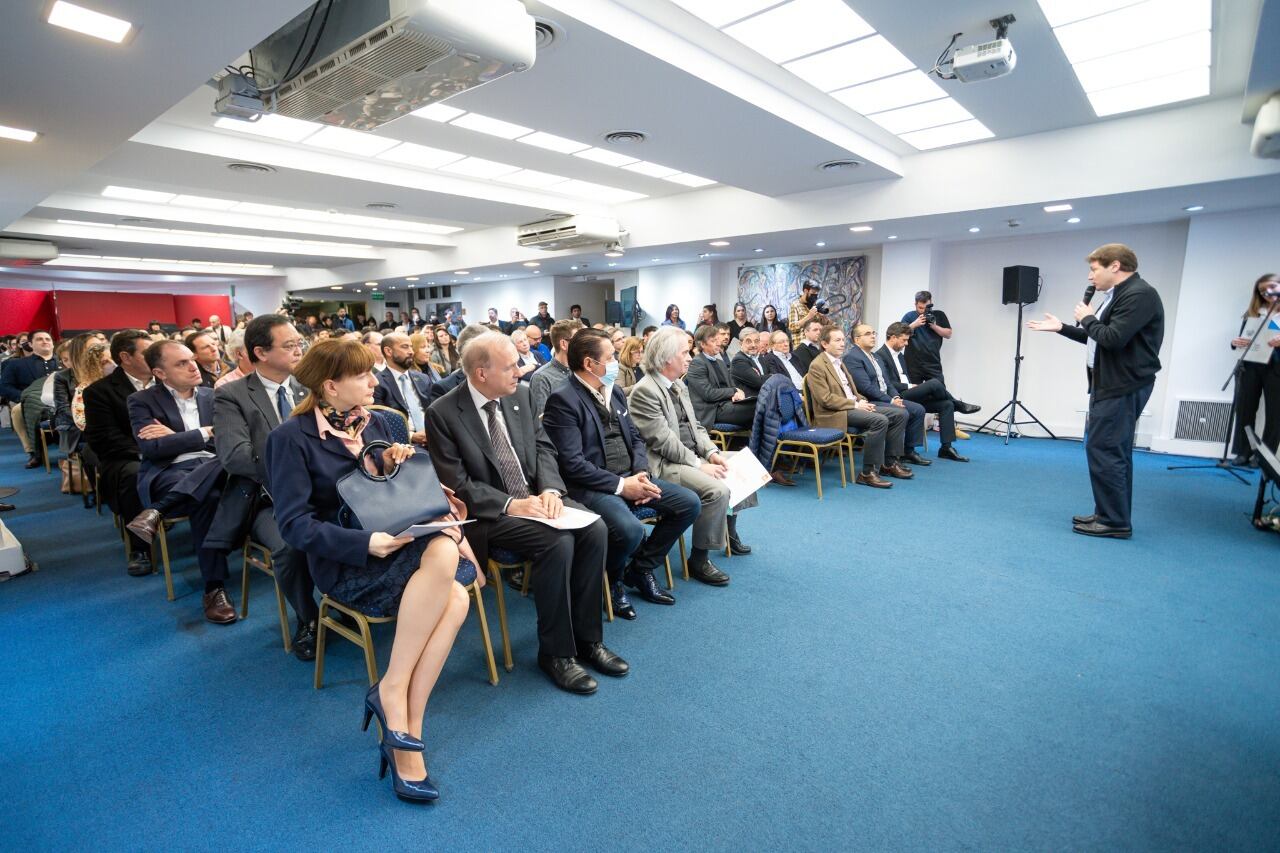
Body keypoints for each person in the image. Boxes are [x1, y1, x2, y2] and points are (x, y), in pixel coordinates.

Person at [265, 338, 472, 801]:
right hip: (348, 563)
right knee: (450, 577)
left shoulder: (378, 421)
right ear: (330, 386)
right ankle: (398, 711)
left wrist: (397, 462)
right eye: (362, 376)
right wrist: (365, 543)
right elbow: (294, 527)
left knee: (449, 573)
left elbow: (390, 490)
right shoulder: (290, 438)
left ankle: (401, 718)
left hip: (399, 543)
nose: (373, 382)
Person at [425, 331, 626, 695]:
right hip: (490, 515)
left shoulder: (520, 394)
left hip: (537, 498)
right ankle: (555, 653)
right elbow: (456, 484)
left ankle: (588, 640)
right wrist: (511, 504)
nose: (520, 370)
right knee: (558, 543)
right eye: (511, 366)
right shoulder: (443, 413)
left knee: (595, 528)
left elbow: (544, 448)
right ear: (481, 373)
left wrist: (550, 489)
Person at [542, 330, 700, 619]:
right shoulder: (562, 400)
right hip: (593, 486)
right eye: (611, 357)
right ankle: (613, 583)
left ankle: (639, 569)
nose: (617, 361)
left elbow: (636, 438)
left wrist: (640, 474)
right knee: (630, 530)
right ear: (590, 364)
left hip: (630, 475)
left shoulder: (613, 390)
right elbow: (572, 464)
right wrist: (621, 486)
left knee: (688, 503)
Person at [1027, 243, 1165, 538]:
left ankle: (1114, 522)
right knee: (1112, 449)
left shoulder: (1139, 295)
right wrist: (1062, 327)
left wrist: (1088, 316)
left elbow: (1112, 338)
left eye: (1094, 269)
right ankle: (1108, 512)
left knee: (1104, 448)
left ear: (1115, 266)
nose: (1091, 277)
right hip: (1110, 381)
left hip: (1122, 383)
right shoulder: (1119, 294)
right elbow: (1097, 338)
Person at [212, 315, 319, 659]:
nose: (298, 350)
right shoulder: (232, 395)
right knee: (289, 545)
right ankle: (309, 619)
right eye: (289, 346)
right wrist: (296, 469)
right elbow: (236, 458)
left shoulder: (309, 385)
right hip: (267, 498)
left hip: (322, 488)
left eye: (299, 343)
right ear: (259, 352)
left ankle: (360, 599)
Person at [125, 341, 233, 622]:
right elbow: (152, 449)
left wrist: (173, 436)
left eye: (191, 359)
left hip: (215, 464)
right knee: (206, 496)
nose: (193, 366)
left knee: (218, 474)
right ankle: (214, 587)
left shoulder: (215, 395)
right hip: (170, 472)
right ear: (160, 373)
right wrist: (205, 432)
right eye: (181, 363)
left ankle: (157, 511)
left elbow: (229, 440)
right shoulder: (141, 401)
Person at [628, 327, 745, 584]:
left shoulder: (678, 384)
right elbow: (663, 442)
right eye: (685, 352)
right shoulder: (645, 391)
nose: (690, 357)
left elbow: (697, 427)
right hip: (665, 464)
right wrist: (698, 464)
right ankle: (699, 559)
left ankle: (729, 532)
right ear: (667, 358)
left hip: (690, 454)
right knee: (717, 490)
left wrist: (711, 452)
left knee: (739, 464)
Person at [83, 331, 155, 576]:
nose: (156, 357)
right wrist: (149, 451)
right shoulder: (99, 392)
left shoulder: (168, 381)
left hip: (175, 447)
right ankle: (139, 547)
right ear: (125, 357)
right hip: (128, 457)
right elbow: (104, 438)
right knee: (135, 476)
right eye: (148, 353)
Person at [806, 326, 909, 489]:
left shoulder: (839, 362)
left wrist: (862, 401)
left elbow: (852, 391)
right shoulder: (817, 365)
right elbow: (825, 400)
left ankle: (889, 463)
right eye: (837, 340)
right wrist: (856, 404)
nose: (842, 344)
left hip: (853, 407)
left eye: (843, 340)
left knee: (900, 414)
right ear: (825, 344)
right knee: (880, 421)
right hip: (834, 413)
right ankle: (867, 473)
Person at [877, 322, 977, 462]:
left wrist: (915, 387)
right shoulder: (880, 356)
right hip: (897, 396)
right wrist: (910, 386)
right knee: (935, 383)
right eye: (904, 340)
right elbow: (888, 384)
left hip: (910, 393)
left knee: (946, 405)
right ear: (893, 337)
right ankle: (959, 405)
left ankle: (946, 448)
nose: (906, 344)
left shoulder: (900, 355)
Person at [843, 325, 931, 467]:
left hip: (885, 398)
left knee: (918, 409)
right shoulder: (853, 357)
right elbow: (865, 387)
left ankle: (908, 451)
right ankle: (891, 460)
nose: (873, 336)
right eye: (868, 334)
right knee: (901, 412)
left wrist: (896, 398)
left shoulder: (875, 357)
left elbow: (888, 383)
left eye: (873, 333)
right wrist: (890, 400)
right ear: (857, 339)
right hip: (870, 400)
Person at [1229, 273, 1280, 465]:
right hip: (1250, 367)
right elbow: (1244, 339)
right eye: (1262, 290)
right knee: (1245, 411)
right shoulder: (1253, 313)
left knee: (1275, 415)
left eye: (1272, 287)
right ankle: (1244, 451)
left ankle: (1265, 457)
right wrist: (1235, 342)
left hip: (1276, 369)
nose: (1267, 293)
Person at [1, 330, 57, 467]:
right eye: (39, 339)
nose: (45, 341)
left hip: (63, 400)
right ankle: (33, 452)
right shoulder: (16, 364)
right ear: (30, 344)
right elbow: (4, 386)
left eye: (47, 339)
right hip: (30, 403)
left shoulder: (64, 361)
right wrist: (25, 398)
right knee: (18, 411)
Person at [686, 324, 754, 429]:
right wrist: (733, 391)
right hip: (712, 411)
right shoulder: (697, 363)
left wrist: (737, 393)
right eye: (714, 341)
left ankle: (752, 444)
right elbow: (709, 394)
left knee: (762, 403)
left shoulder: (720, 362)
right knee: (758, 407)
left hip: (727, 405)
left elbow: (732, 386)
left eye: (718, 339)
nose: (718, 343)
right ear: (703, 344)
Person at [373, 333, 433, 446]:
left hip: (433, 435)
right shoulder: (378, 383)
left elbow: (435, 409)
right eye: (405, 347)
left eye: (411, 346)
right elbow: (380, 422)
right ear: (388, 351)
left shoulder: (423, 378)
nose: (411, 351)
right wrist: (411, 436)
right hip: (404, 443)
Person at [529, 319, 579, 418]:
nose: (583, 344)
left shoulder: (579, 370)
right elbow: (542, 422)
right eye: (578, 340)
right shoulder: (542, 378)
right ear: (564, 344)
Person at [901, 290, 952, 385]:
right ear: (915, 304)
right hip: (912, 364)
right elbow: (900, 334)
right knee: (914, 393)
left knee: (939, 391)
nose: (923, 311)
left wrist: (934, 326)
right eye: (920, 308)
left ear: (931, 303)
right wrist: (914, 325)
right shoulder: (909, 316)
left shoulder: (939, 314)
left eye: (926, 308)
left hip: (933, 362)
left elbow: (948, 334)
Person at [788, 281, 826, 348]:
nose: (815, 296)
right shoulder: (795, 305)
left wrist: (822, 318)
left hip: (816, 347)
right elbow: (792, 327)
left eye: (816, 294)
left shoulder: (815, 305)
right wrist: (809, 316)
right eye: (813, 293)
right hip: (801, 347)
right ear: (806, 291)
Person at [730, 328, 767, 395]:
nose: (753, 345)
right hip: (751, 402)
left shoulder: (761, 358)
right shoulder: (738, 361)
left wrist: (764, 376)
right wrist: (772, 376)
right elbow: (759, 383)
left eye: (756, 341)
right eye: (748, 341)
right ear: (740, 343)